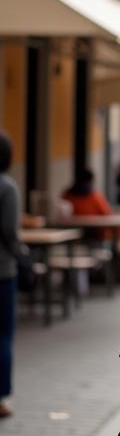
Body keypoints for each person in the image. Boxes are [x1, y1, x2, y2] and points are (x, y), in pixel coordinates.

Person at [0, 131, 21, 418]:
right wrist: (23, 257)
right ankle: (1, 399)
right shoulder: (7, 188)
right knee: (2, 335)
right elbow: (9, 232)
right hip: (3, 271)